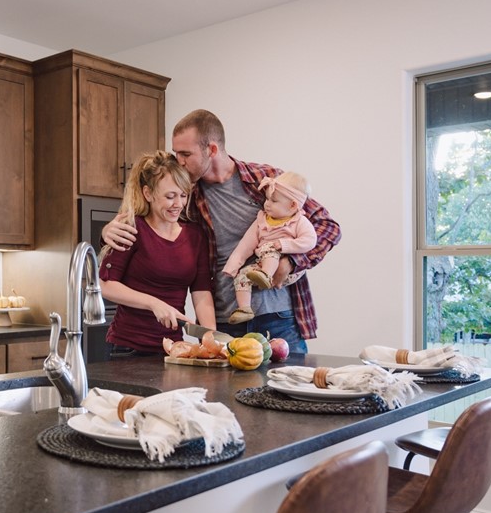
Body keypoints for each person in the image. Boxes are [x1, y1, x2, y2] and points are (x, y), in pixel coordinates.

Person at [102, 110, 341, 353]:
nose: (179, 161)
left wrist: (291, 261)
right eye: (176, 153)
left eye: (186, 154)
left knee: (288, 378)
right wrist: (107, 232)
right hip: (227, 319)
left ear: (212, 150)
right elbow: (152, 224)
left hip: (278, 317)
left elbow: (327, 226)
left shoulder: (264, 180)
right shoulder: (188, 195)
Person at [98, 151, 216, 358]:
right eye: (170, 196)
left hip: (173, 349)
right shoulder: (131, 229)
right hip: (127, 348)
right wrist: (154, 303)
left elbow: (202, 294)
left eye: (183, 195)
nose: (178, 204)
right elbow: (105, 285)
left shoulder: (195, 236)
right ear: (148, 194)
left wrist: (211, 341)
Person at [221, 171, 315, 324]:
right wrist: (232, 267)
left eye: (274, 201)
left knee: (269, 248)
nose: (267, 204)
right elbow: (246, 245)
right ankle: (245, 309)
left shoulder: (299, 221)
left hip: (287, 272)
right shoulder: (262, 219)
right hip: (263, 264)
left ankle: (265, 274)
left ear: (292, 205)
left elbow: (310, 241)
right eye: (267, 199)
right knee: (243, 275)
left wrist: (284, 245)